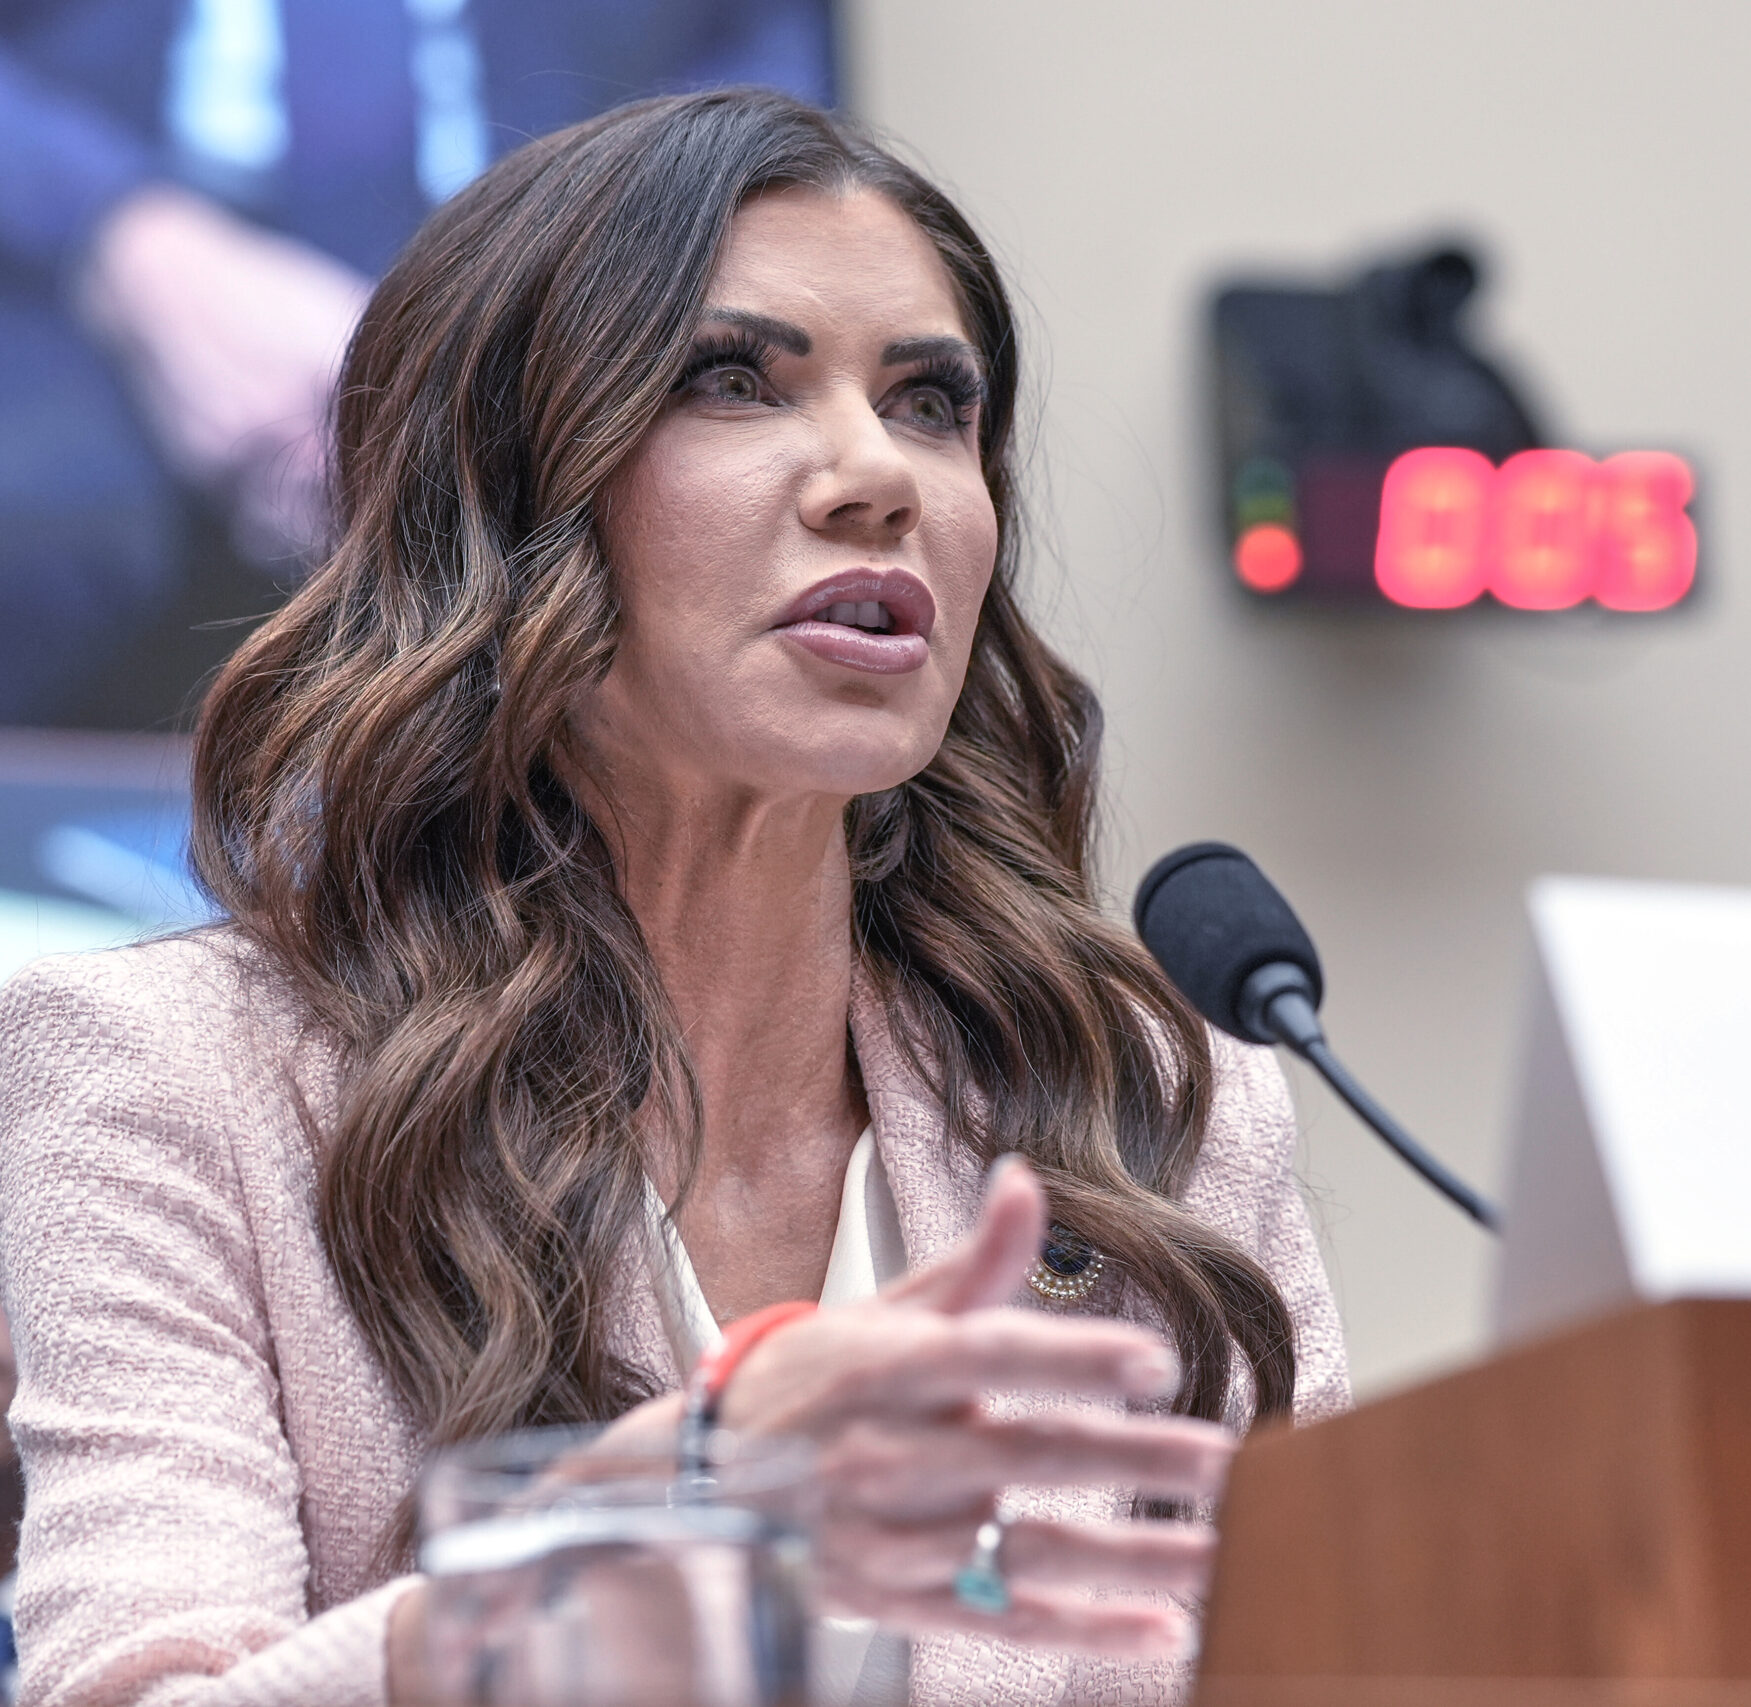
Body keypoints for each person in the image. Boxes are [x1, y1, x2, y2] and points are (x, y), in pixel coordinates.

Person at [0, 88, 1349, 1707]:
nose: (877, 475)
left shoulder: (1152, 1101)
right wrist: (630, 1533)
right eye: (733, 380)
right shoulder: (166, 1075)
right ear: (504, 502)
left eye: (932, 404)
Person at [0, 0, 834, 726]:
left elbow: (765, 70)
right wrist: (127, 243)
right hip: (78, 257)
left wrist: (574, 299)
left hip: (567, 265)